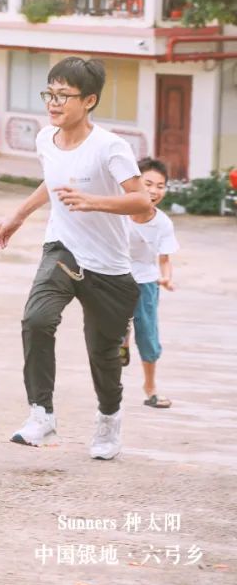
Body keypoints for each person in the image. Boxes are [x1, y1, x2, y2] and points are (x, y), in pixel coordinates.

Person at [0, 57, 150, 461]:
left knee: (103, 354)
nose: (53, 102)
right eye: (50, 93)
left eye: (63, 95)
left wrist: (93, 201)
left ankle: (109, 419)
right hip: (63, 249)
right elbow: (53, 181)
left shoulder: (110, 147)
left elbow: (142, 201)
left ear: (89, 100)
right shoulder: (47, 139)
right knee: (36, 320)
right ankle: (41, 414)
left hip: (109, 266)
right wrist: (18, 215)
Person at [123, 157, 179, 409]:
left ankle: (150, 388)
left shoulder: (163, 223)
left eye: (160, 185)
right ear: (135, 183)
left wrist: (166, 278)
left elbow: (164, 259)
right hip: (116, 277)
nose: (154, 191)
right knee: (111, 330)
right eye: (148, 184)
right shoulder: (118, 212)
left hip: (146, 282)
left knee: (147, 336)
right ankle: (122, 342)